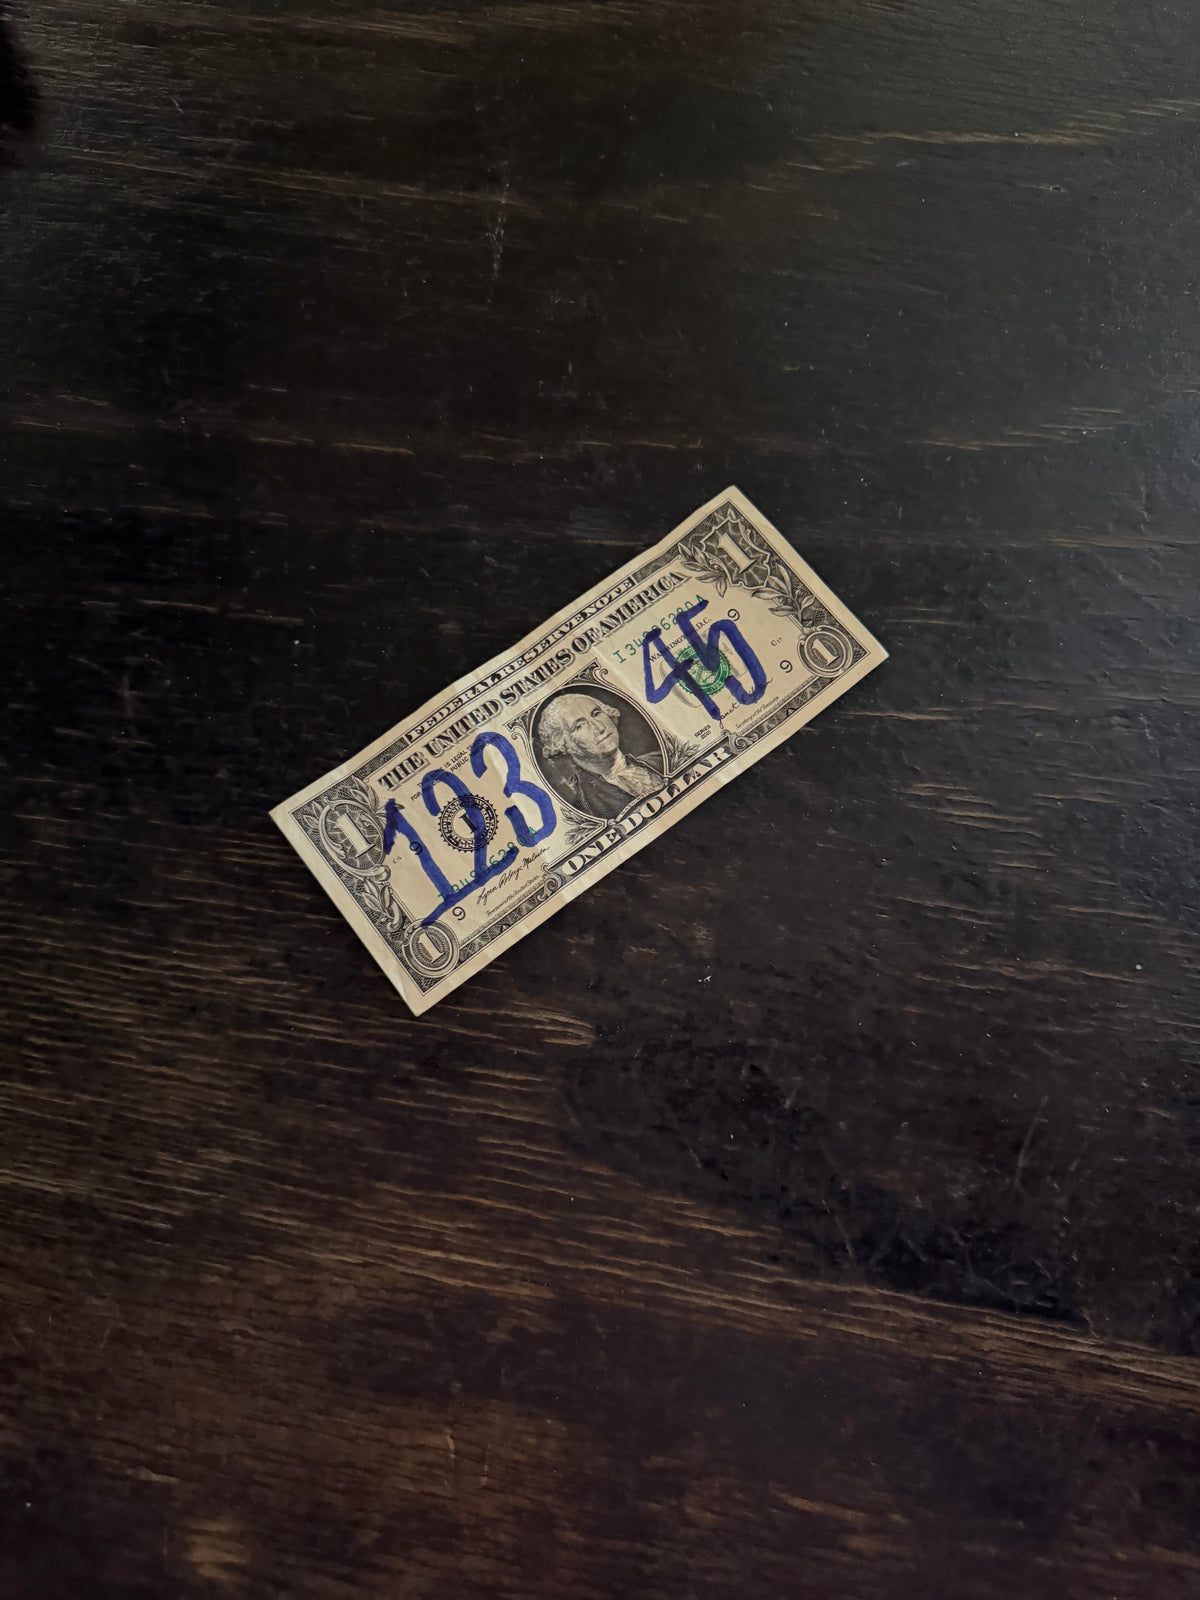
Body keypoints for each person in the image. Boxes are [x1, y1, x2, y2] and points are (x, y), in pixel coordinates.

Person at [537, 693, 664, 819]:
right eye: (579, 726)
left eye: (596, 714)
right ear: (563, 744)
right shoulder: (587, 810)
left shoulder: (659, 760)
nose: (599, 727)